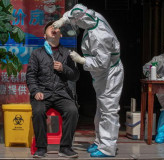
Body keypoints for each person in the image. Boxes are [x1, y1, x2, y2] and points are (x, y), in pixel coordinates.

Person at [53, 3, 124, 157]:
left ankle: (107, 147)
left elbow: (101, 64)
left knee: (108, 111)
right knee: (101, 109)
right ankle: (100, 142)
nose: (76, 25)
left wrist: (82, 60)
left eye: (76, 23)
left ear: (82, 20)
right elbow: (76, 10)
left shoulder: (100, 36)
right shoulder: (93, 16)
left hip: (109, 74)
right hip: (101, 75)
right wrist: (63, 20)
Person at [26, 21, 79, 158]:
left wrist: (63, 68)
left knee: (72, 111)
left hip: (61, 92)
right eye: (51, 28)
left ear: (60, 34)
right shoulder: (37, 54)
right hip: (43, 92)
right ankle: (41, 148)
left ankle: (65, 147)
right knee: (38, 111)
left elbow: (75, 75)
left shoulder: (67, 53)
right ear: (45, 35)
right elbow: (30, 76)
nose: (54, 29)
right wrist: (35, 91)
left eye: (56, 28)